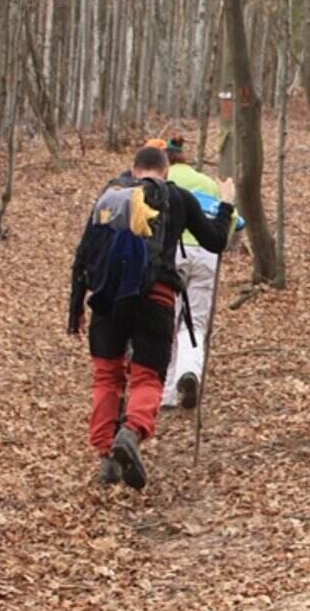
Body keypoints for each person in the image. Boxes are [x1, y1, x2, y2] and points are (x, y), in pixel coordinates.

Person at [68, 144, 235, 490]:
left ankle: (106, 454)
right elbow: (216, 241)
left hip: (107, 299)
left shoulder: (110, 196)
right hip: (155, 296)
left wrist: (76, 308)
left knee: (107, 376)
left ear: (133, 169)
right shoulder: (177, 198)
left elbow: (83, 253)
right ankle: (131, 432)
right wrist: (226, 203)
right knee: (147, 376)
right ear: (166, 171)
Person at [160, 136, 233, 411]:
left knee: (167, 320)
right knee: (195, 323)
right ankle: (188, 371)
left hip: (174, 253)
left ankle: (166, 394)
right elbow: (227, 219)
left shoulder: (161, 182)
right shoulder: (207, 183)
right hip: (205, 254)